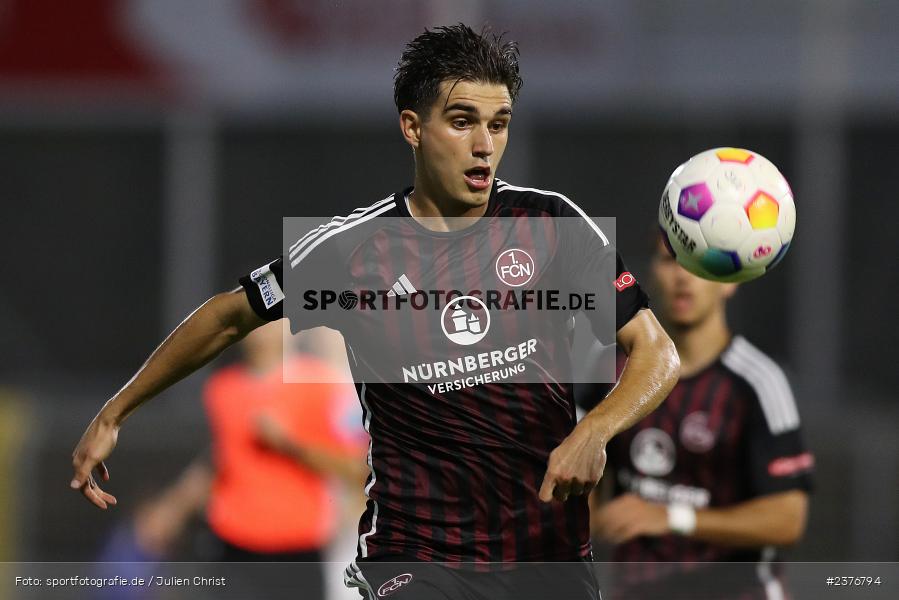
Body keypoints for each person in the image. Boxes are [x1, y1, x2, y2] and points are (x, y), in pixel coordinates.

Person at [71, 24, 679, 600]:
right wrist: (116, 410)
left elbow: (657, 352)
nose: (484, 145)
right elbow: (228, 317)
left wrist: (595, 429)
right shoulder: (353, 251)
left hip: (546, 553)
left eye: (499, 124)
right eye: (462, 121)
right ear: (412, 128)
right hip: (415, 554)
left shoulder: (550, 224)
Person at [582, 233, 814, 599]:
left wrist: (673, 517)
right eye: (671, 259)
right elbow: (584, 494)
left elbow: (788, 518)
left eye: (702, 262)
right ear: (652, 272)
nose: (683, 275)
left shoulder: (758, 383)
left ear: (729, 283)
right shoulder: (608, 371)